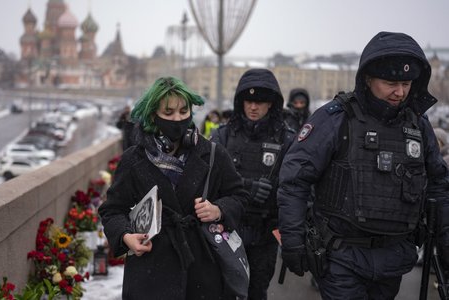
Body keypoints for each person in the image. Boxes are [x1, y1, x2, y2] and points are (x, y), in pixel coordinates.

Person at [277, 31, 449, 299]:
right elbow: (294, 180)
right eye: (391, 82)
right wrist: (293, 242)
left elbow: (439, 187)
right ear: (368, 79)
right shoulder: (336, 119)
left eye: (406, 83)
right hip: (340, 257)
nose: (400, 92)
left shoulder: (418, 124)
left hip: (394, 258)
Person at [98, 76, 248, 299]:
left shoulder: (213, 153)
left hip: (203, 267)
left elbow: (240, 196)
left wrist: (218, 210)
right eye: (168, 114)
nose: (177, 119)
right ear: (153, 116)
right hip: (150, 269)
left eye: (183, 111)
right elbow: (112, 210)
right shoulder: (134, 159)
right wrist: (126, 236)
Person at [211, 68, 294, 299]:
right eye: (249, 101)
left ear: (272, 104)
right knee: (224, 291)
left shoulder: (287, 139)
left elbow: (298, 187)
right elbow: (209, 179)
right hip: (226, 231)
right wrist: (248, 187)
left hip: (264, 234)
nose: (254, 107)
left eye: (260, 101)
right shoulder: (223, 136)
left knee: (256, 291)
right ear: (241, 102)